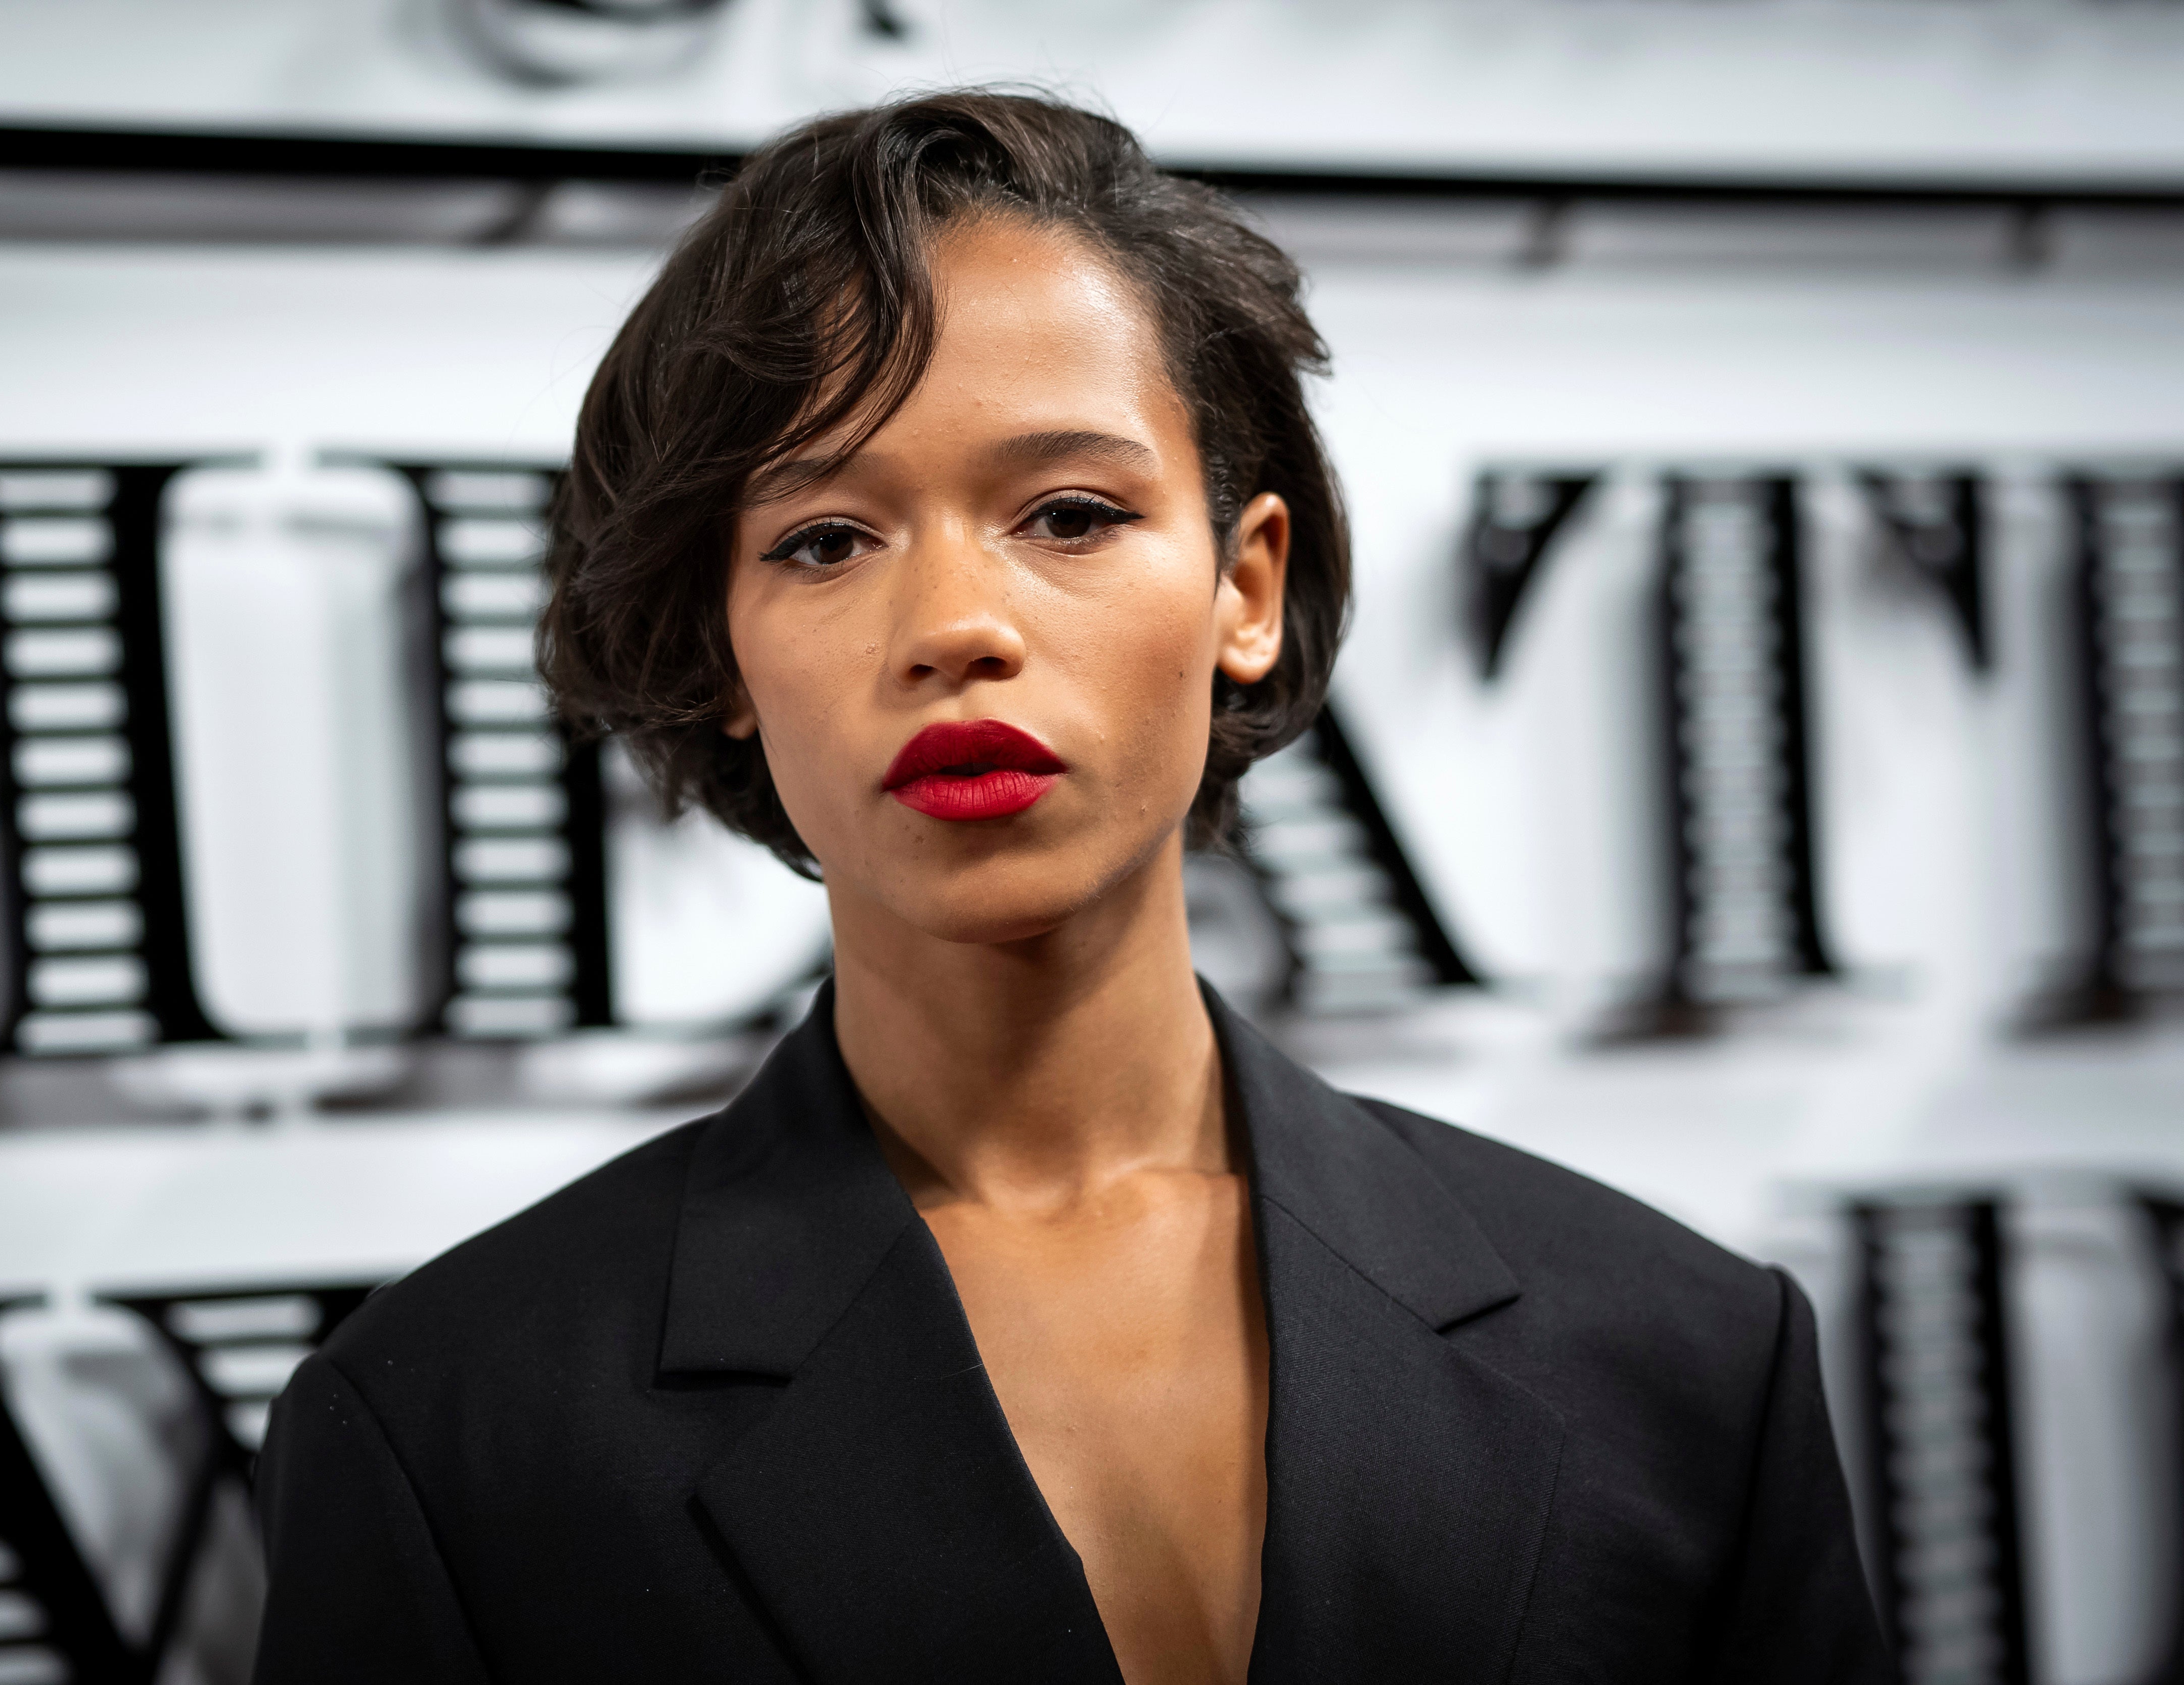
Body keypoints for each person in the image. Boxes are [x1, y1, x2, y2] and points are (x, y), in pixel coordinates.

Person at [249, 90, 1892, 1684]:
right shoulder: (452, 1432)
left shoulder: (1683, 1355)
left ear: (1248, 587)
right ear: (721, 650)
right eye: (826, 539)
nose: (958, 622)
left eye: (1072, 512)